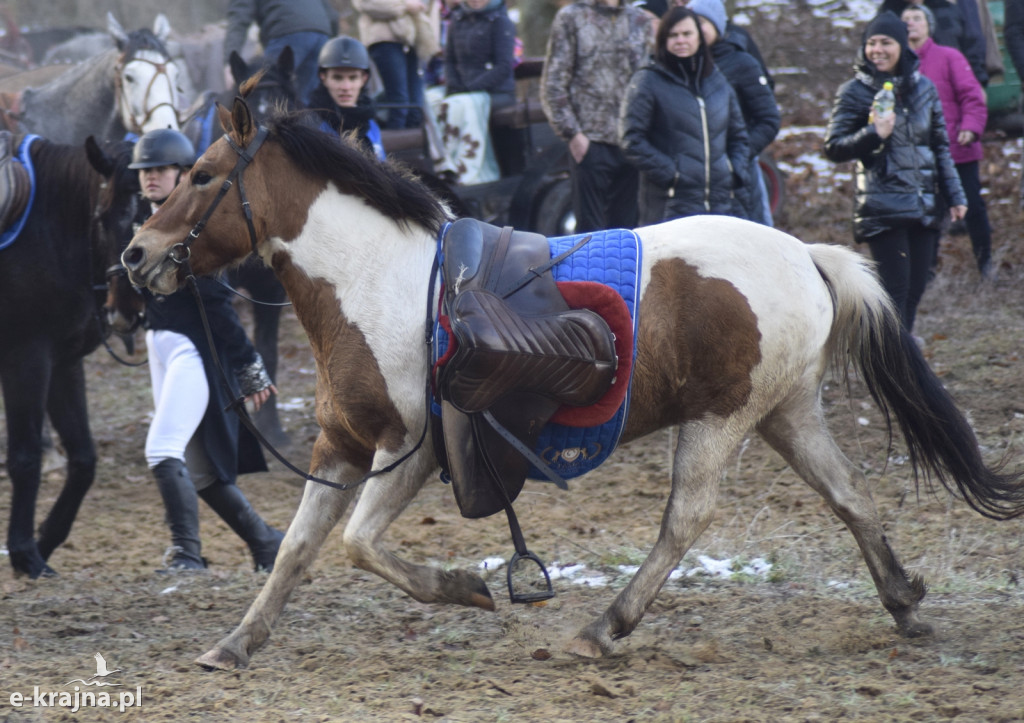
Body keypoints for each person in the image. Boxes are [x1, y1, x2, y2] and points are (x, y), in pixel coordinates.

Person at [129, 129, 285, 573]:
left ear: (182, 174)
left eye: (160, 169)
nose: (151, 178)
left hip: (192, 353)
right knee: (200, 469)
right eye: (145, 171)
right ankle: (266, 541)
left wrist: (248, 364)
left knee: (162, 450)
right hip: (160, 346)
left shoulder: (194, 231)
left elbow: (219, 305)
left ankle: (186, 553)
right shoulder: (142, 223)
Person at [824, 11, 966, 333]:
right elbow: (833, 147)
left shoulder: (924, 89)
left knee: (915, 291)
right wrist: (874, 132)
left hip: (924, 205)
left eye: (885, 43)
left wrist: (955, 195)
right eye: (871, 43)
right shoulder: (854, 91)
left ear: (902, 46)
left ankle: (900, 360)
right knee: (893, 295)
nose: (877, 50)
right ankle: (893, 368)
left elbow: (940, 146)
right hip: (883, 205)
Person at [619, 6, 749, 226]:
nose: (680, 41)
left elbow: (739, 137)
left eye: (687, 34)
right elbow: (631, 139)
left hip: (720, 206)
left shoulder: (717, 82)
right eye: (673, 35)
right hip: (670, 206)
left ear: (699, 37)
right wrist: (672, 175)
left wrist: (733, 170)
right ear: (663, 39)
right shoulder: (648, 81)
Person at [541, 0, 654, 232]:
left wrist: (644, 131)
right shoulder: (571, 17)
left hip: (631, 139)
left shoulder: (639, 19)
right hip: (589, 141)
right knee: (590, 233)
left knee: (627, 231)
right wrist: (573, 134)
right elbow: (553, 82)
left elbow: (647, 81)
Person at [903, 4, 993, 278]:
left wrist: (970, 127)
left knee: (973, 208)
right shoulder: (899, 65)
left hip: (958, 150)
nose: (911, 24)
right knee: (927, 214)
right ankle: (927, 272)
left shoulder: (950, 56)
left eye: (917, 18)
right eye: (905, 20)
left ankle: (985, 264)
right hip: (918, 156)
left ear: (930, 25)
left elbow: (972, 97)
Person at [688, 0, 779, 225]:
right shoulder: (684, 65)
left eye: (703, 23)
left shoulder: (742, 62)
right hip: (695, 174)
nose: (697, 30)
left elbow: (768, 118)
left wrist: (739, 155)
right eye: (693, 24)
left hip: (740, 172)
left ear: (717, 26)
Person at [430, 0, 517, 183]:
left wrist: (470, 88)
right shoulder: (457, 19)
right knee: (429, 100)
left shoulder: (500, 21)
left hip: (496, 91)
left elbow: (503, 67)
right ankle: (441, 162)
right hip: (462, 88)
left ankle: (465, 170)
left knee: (458, 105)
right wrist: (454, 85)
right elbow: (450, 61)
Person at [223, 0, 339, 104]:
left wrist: (229, 62)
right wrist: (331, 45)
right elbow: (333, 15)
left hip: (286, 30)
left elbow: (239, 19)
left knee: (268, 93)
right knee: (307, 100)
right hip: (322, 33)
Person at [352, 0, 432, 130]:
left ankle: (414, 148)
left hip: (415, 41)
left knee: (416, 107)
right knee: (399, 104)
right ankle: (395, 146)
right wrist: (405, 6)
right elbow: (365, 3)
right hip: (385, 41)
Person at [307, 36, 387, 161]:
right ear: (323, 78)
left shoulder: (371, 125)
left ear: (364, 79)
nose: (346, 87)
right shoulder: (310, 125)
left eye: (353, 78)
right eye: (337, 78)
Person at [878, 0, 987, 85]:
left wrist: (979, 81)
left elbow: (972, 44)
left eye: (916, 19)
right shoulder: (887, 13)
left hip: (953, 83)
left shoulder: (946, 8)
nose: (911, 23)